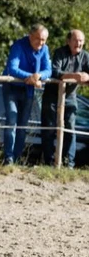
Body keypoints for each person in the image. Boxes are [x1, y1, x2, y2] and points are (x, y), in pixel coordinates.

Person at [2, 23, 52, 165]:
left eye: (44, 40)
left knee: (23, 125)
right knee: (11, 120)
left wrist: (38, 76)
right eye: (38, 39)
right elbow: (12, 68)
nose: (41, 43)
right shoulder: (18, 45)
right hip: (11, 87)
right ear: (30, 36)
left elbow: (48, 70)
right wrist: (32, 77)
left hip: (28, 90)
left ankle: (17, 158)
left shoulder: (45, 49)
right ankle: (8, 158)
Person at [41, 29, 89, 168]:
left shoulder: (85, 56)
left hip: (70, 97)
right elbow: (55, 72)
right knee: (49, 129)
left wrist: (86, 77)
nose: (78, 43)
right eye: (75, 40)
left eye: (81, 41)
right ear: (68, 41)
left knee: (70, 129)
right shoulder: (60, 52)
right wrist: (75, 76)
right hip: (52, 96)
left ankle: (69, 164)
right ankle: (49, 162)